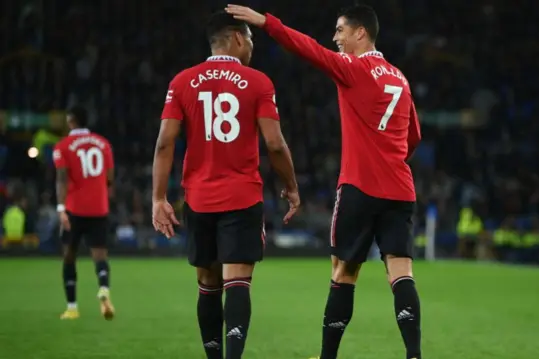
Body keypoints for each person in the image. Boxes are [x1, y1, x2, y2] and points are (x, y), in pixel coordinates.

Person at [226, 4, 423, 359]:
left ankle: (327, 357)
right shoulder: (401, 77)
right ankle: (413, 355)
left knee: (343, 272)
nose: (335, 39)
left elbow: (308, 49)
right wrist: (390, 158)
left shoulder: (353, 67)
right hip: (400, 189)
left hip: (360, 187)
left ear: (360, 33)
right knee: (401, 271)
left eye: (340, 31)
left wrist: (267, 23)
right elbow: (413, 137)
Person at [151, 11, 300, 359]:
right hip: (242, 197)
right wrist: (291, 186)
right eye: (250, 39)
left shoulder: (182, 82)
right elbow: (275, 144)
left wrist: (159, 197)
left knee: (207, 285)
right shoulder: (258, 82)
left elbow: (163, 143)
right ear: (236, 38)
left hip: (199, 199)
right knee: (237, 283)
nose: (252, 46)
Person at [53, 105, 115, 320]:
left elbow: (61, 178)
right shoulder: (104, 144)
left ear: (71, 121)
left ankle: (72, 307)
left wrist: (61, 208)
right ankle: (104, 287)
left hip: (74, 209)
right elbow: (109, 178)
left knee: (69, 256)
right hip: (99, 208)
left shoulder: (63, 146)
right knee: (99, 255)